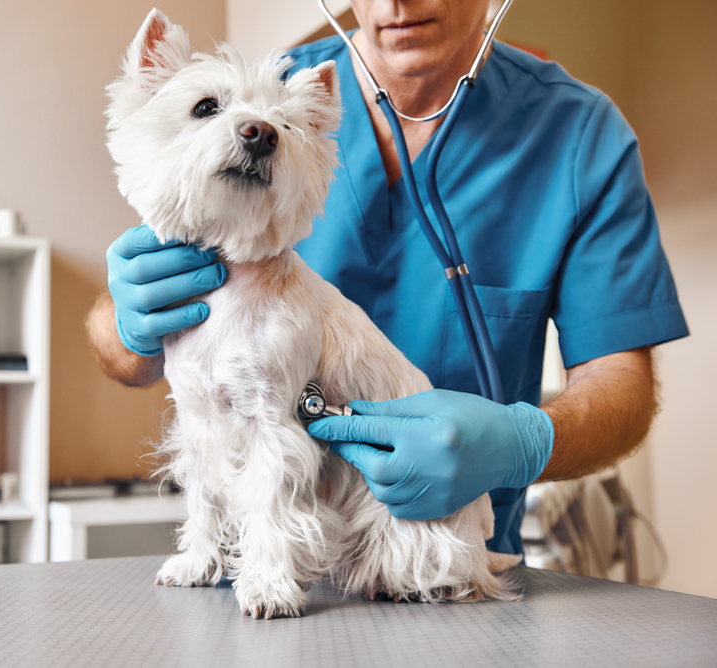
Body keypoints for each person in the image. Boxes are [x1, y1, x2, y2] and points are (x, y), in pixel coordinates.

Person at [86, 0, 689, 556]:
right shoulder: (259, 101)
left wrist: (519, 442)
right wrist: (125, 321)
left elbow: (623, 389)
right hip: (262, 569)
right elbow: (130, 349)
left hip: (437, 554)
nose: (395, 3)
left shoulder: (581, 135)